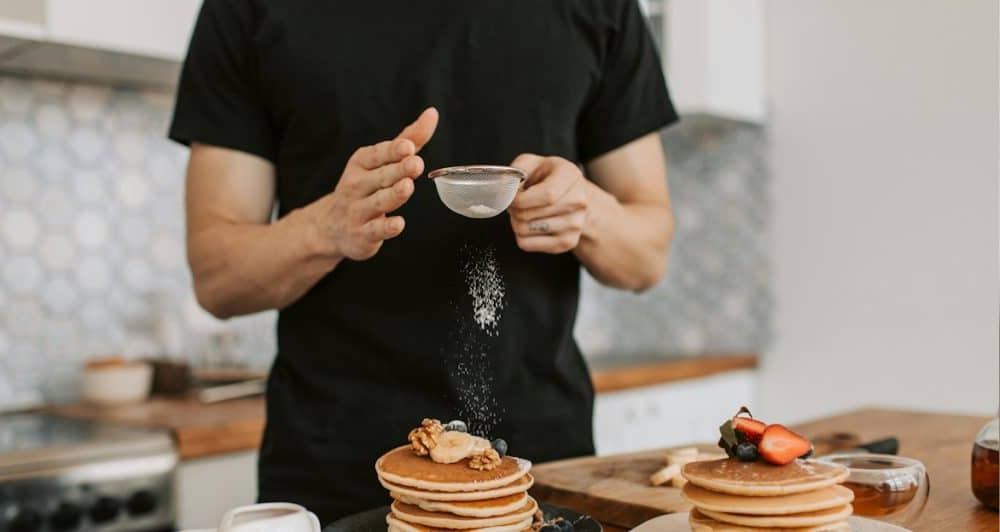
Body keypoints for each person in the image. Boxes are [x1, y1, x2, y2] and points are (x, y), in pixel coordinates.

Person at [169, 0, 677, 521]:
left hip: (540, 478)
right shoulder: (247, 9)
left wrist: (585, 212)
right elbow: (216, 276)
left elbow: (648, 256)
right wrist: (328, 227)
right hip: (334, 478)